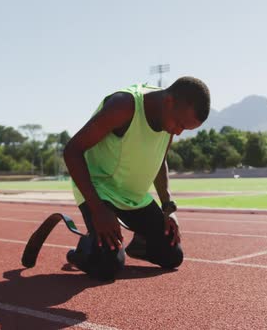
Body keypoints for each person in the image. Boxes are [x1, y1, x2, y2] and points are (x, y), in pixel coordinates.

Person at [63, 76, 210, 281]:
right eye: (179, 124)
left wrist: (167, 206)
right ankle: (84, 250)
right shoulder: (123, 106)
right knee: (109, 265)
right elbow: (72, 151)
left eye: (184, 129)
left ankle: (139, 244)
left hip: (134, 197)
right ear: (169, 102)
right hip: (100, 191)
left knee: (172, 256)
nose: (177, 132)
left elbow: (160, 160)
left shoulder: (169, 114)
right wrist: (98, 209)